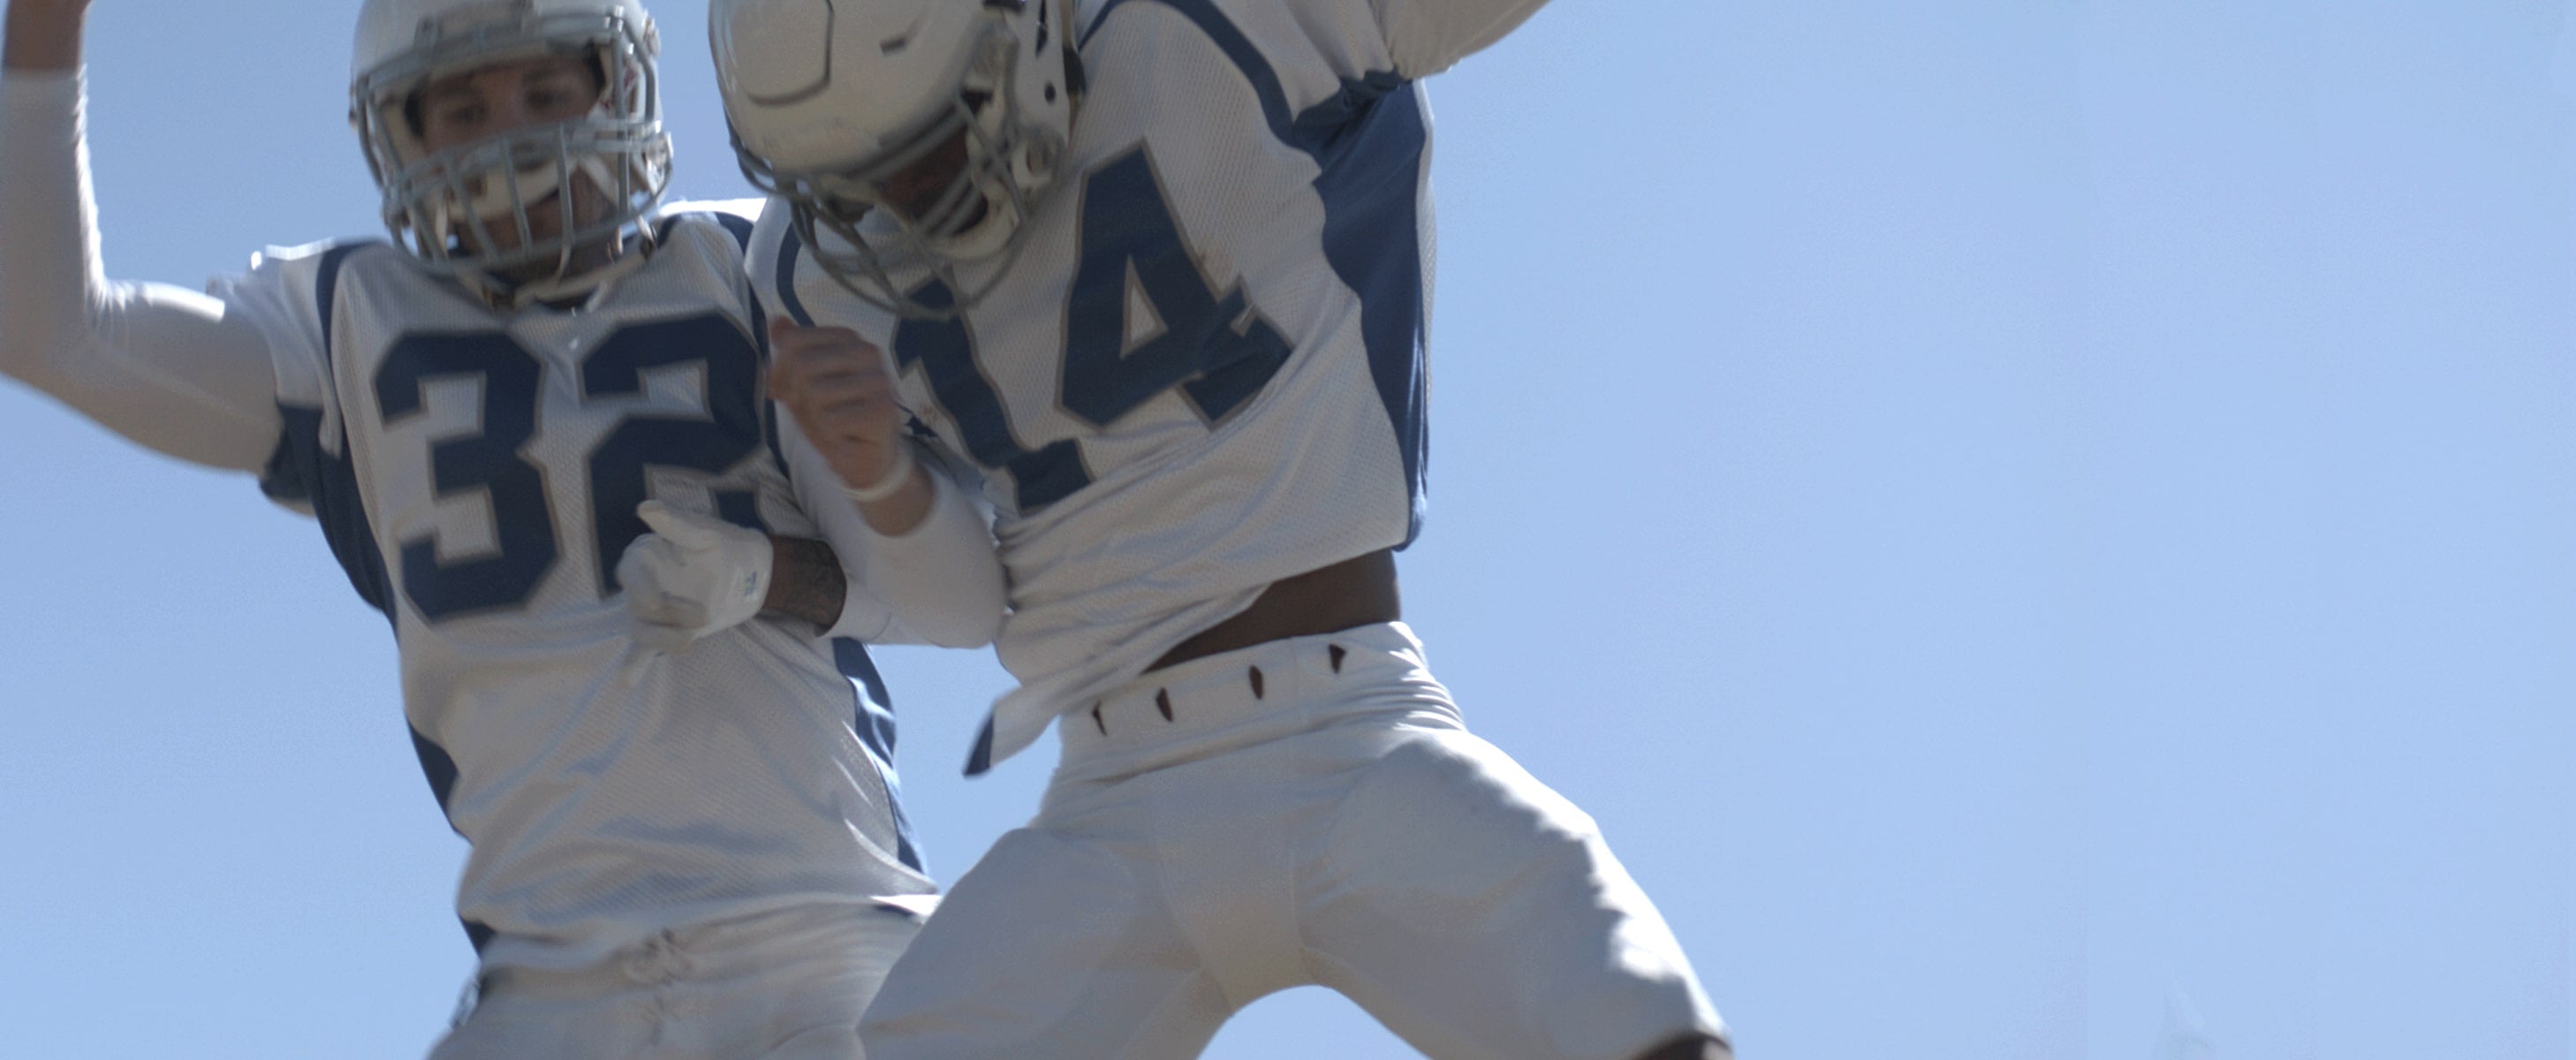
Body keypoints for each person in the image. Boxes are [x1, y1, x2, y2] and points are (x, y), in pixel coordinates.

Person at [701, 1, 1731, 1056]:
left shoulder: (1213, 28)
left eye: (921, 144)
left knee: (1629, 1019)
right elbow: (962, 610)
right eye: (848, 177)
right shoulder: (805, 268)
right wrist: (878, 478)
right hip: (1105, 808)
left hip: (1353, 731)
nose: (894, 196)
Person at [0, 0, 1003, 1056]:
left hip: (826, 930)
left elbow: (961, 603)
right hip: (552, 975)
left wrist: (870, 482)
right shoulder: (336, 318)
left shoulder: (753, 267)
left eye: (543, 91)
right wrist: (46, 29)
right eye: (464, 106)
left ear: (614, 90)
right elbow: (52, 333)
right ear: (402, 134)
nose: (511, 132)